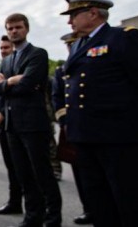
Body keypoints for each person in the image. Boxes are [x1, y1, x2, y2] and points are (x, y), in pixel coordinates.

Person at [58, 0, 138, 226]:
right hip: (86, 137)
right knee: (100, 203)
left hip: (118, 137)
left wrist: (128, 114)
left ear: (93, 13)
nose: (69, 22)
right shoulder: (80, 44)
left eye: (73, 15)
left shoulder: (123, 38)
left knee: (133, 202)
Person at [0, 14, 62, 227]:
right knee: (24, 175)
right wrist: (11, 82)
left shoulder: (37, 55)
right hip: (12, 125)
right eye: (10, 28)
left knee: (42, 173)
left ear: (27, 29)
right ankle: (33, 216)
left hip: (33, 125)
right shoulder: (7, 60)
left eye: (18, 27)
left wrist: (9, 83)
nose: (14, 31)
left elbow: (28, 84)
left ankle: (52, 218)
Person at [51, 32, 92, 225]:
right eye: (69, 45)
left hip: (97, 126)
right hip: (74, 128)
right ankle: (88, 209)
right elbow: (57, 97)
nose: (71, 47)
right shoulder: (62, 70)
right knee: (81, 172)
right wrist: (65, 121)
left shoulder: (90, 63)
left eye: (74, 43)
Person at [0, 35, 23, 215]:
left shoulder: (20, 67)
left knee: (27, 168)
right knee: (12, 166)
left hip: (20, 122)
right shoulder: (0, 70)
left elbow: (23, 87)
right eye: (1, 48)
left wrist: (5, 82)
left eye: (7, 48)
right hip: (5, 126)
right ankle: (14, 201)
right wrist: (8, 83)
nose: (3, 51)